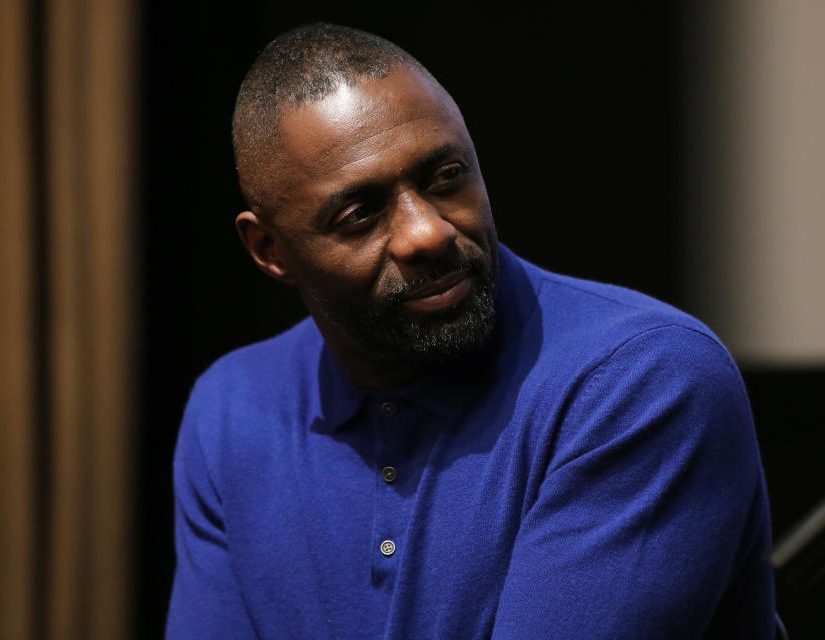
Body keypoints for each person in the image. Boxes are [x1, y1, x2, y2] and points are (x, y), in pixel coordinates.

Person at [166, 23, 775, 639]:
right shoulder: (232, 410)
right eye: (360, 214)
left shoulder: (641, 379)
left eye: (445, 176)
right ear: (270, 249)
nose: (426, 232)